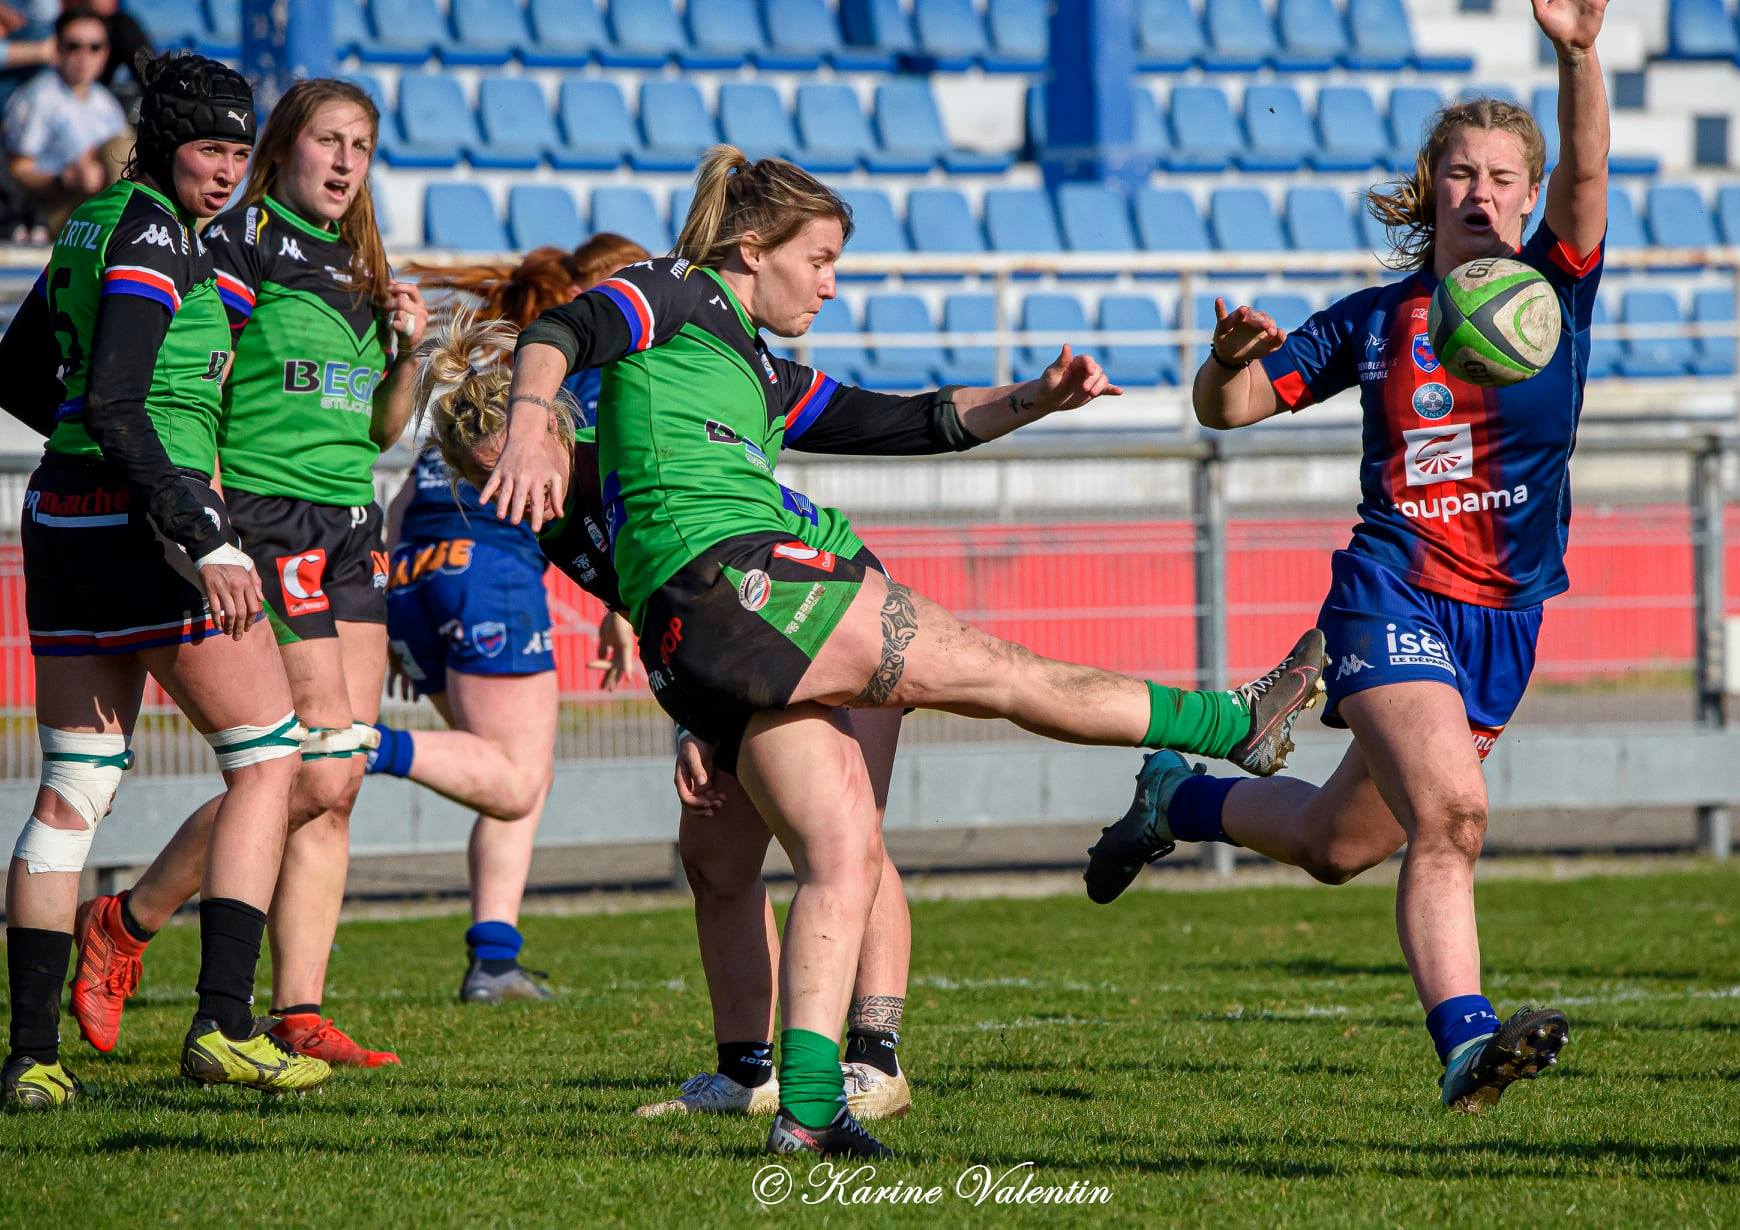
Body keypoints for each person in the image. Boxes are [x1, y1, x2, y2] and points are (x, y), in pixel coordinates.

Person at [483, 145, 1327, 1157]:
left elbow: (904, 422)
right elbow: (562, 327)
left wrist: (1034, 398)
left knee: (839, 852)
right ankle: (1234, 722)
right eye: (823, 259)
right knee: (1007, 676)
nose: (832, 284)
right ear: (753, 249)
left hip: (704, 622)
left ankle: (806, 1110)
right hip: (746, 578)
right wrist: (534, 419)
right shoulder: (671, 291)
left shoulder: (751, 363)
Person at [1084, 0, 1608, 1114]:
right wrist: (1225, 359)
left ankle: (1172, 800)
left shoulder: (1558, 295)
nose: (1481, 191)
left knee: (1337, 844)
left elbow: (1593, 177)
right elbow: (1227, 409)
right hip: (1389, 593)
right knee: (1453, 818)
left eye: (1504, 175)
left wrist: (1577, 53)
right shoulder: (1375, 321)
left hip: (1506, 617)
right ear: (1432, 191)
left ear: (1530, 193)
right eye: (1459, 172)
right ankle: (1469, 1046)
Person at [408, 308, 918, 1119]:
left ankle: (875, 1060)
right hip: (740, 642)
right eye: (482, 483)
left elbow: (699, 582)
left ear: (550, 429)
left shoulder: (631, 453)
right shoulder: (551, 523)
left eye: (507, 468)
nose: (508, 496)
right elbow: (665, 618)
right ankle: (746, 1074)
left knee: (849, 839)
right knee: (714, 857)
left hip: (833, 599)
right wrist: (690, 729)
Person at [64, 76, 428, 1070]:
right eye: (329, 141)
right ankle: (128, 924)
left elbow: (380, 429)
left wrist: (409, 356)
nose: (347, 162)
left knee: (338, 778)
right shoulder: (240, 241)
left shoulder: (358, 263)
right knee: (300, 767)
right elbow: (191, 385)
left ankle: (296, 1009)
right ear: (284, 148)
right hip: (270, 521)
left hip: (354, 522)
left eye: (362, 144)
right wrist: (206, 516)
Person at [0, 51, 329, 1109]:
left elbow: (20, 379)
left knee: (74, 792)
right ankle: (225, 1025)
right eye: (210, 149)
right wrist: (205, 532)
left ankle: (31, 1059)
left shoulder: (93, 224)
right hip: (154, 533)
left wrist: (94, 457)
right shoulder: (153, 235)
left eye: (240, 150)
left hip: (60, 523)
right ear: (161, 143)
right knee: (273, 761)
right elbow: (117, 402)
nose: (228, 170)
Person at [370, 239, 640, 1004]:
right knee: (517, 778)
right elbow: (587, 495)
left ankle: (495, 954)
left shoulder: (483, 376)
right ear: (589, 288)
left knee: (508, 774)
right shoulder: (572, 375)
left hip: (417, 569)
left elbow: (402, 499)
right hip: (491, 577)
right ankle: (359, 744)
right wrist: (621, 604)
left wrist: (395, 598)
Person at [3, 7, 127, 231]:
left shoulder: (106, 102)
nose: (84, 56)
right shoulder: (39, 96)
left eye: (94, 47)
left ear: (106, 53)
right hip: (51, 208)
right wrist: (65, 179)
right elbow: (17, 169)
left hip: (99, 203)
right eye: (73, 46)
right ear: (57, 48)